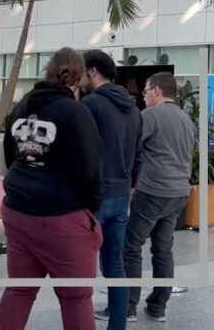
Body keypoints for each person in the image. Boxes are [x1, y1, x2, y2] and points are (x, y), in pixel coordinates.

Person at [0, 47, 104, 330]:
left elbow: (10, 155)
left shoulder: (22, 105)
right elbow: (91, 169)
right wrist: (90, 211)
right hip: (62, 215)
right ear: (79, 80)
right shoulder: (75, 113)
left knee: (19, 290)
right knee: (76, 298)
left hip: (18, 210)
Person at [124, 72, 195, 322]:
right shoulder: (187, 120)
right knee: (163, 251)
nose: (143, 98)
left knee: (130, 247)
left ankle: (128, 307)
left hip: (153, 191)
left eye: (144, 92)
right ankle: (157, 308)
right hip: (178, 193)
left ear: (156, 90)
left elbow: (130, 149)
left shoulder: (150, 116)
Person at [80, 50, 142, 329]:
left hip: (95, 195)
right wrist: (131, 184)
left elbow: (81, 150)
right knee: (115, 265)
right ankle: (118, 325)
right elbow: (139, 154)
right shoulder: (134, 109)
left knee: (81, 267)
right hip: (121, 194)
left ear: (92, 71)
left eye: (83, 70)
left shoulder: (91, 104)